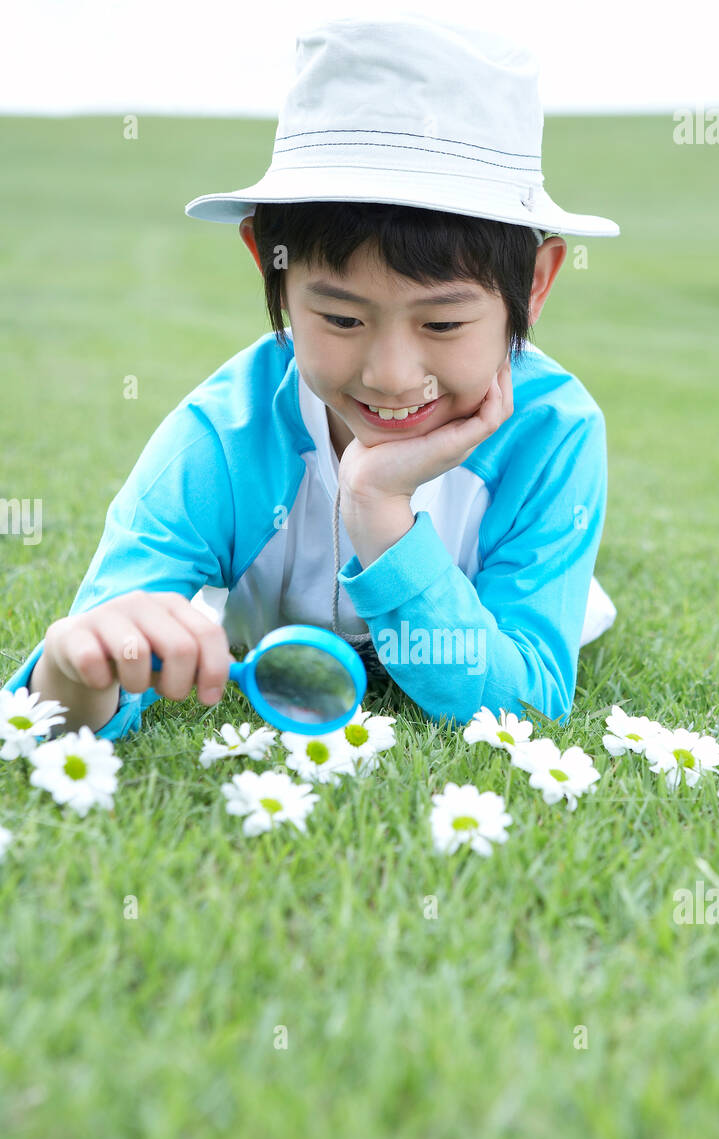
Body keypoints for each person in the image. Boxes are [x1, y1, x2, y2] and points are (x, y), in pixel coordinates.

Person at [1, 14, 621, 740]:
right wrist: (75, 675)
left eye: (443, 324)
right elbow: (91, 659)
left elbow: (527, 702)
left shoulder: (553, 434)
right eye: (343, 320)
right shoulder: (222, 438)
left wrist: (377, 504)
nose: (391, 376)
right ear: (271, 264)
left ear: (537, 286)